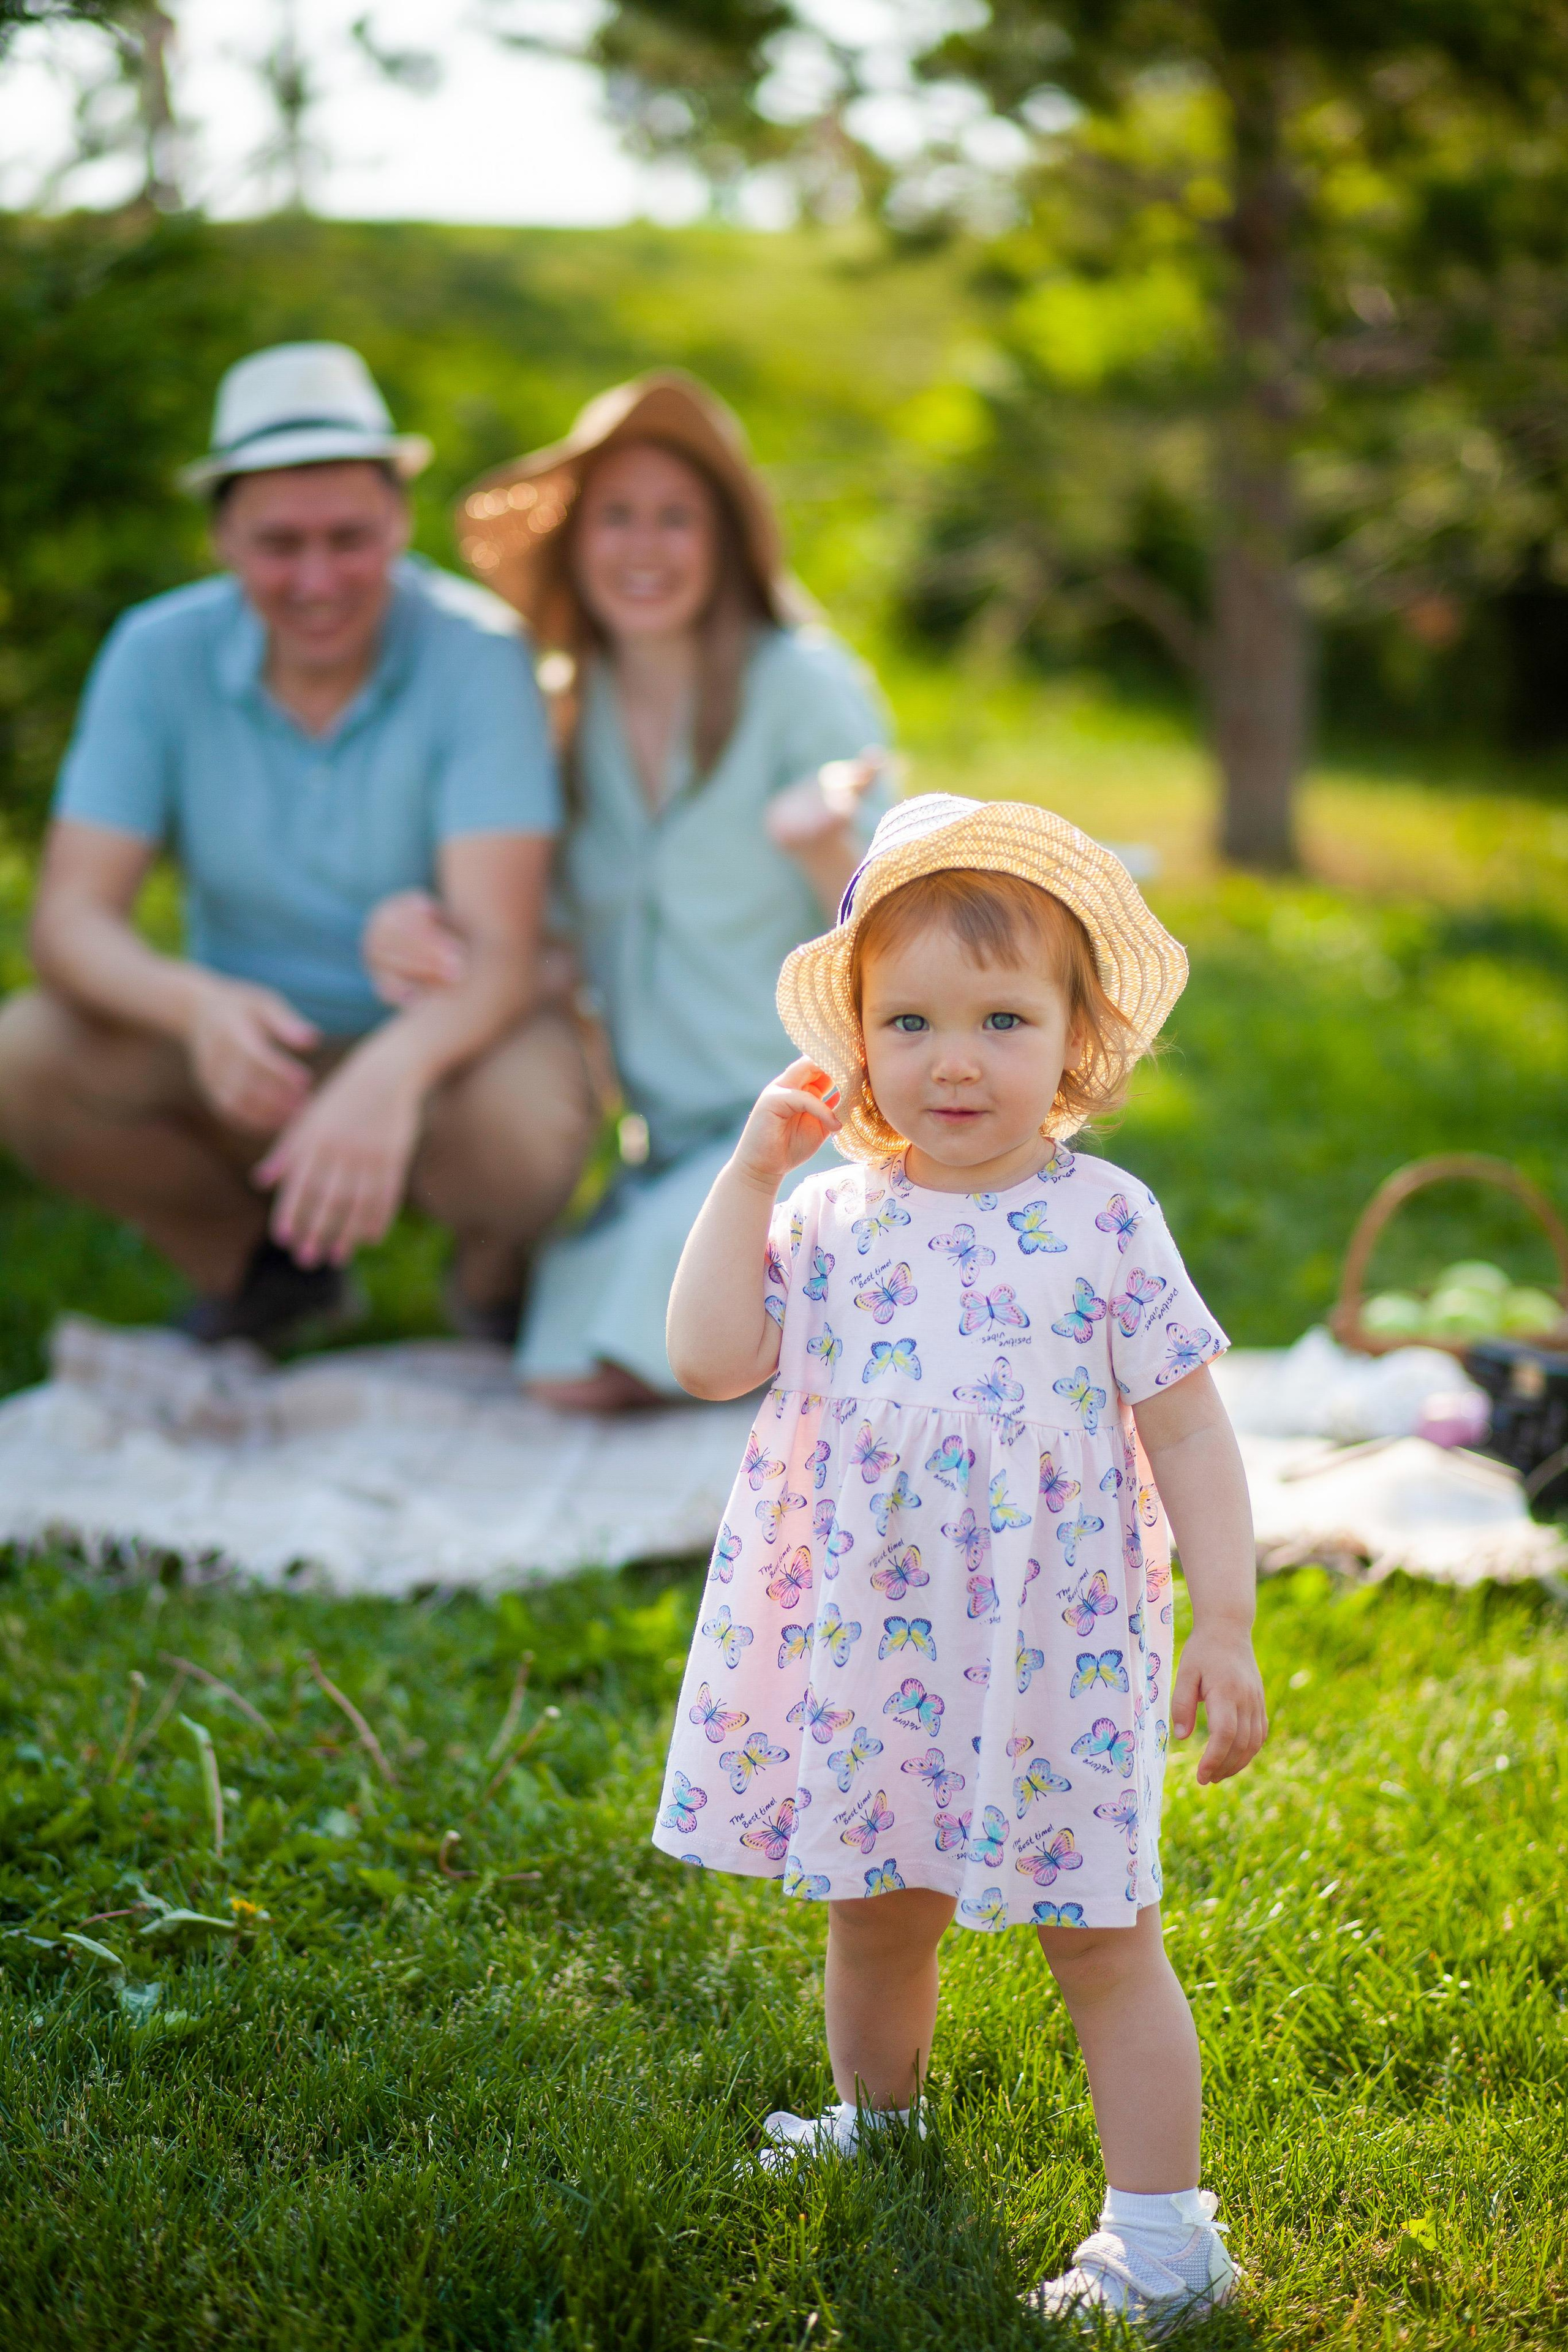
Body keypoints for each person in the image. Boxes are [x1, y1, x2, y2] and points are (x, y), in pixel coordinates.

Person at [654, 795, 1268, 2335]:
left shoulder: (1103, 1223)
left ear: (1076, 1042)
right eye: (908, 1019)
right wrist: (745, 1179)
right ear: (853, 1045)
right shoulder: (830, 1221)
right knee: (871, 1907)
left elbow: (1190, 1435)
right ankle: (876, 2128)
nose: (952, 1059)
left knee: (1099, 1933)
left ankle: (1163, 2241)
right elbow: (709, 1357)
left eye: (1001, 1018)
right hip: (872, 1656)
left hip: (1049, 1649)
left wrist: (1228, 1625)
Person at [0, 342, 592, 1349]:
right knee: (25, 1058)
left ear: (401, 523)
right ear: (222, 537)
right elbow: (68, 922)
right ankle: (261, 1274)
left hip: (444, 1047)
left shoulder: (478, 653)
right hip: (246, 1047)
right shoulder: (155, 655)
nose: (317, 579)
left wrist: (387, 1074)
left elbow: (500, 953)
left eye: (350, 538)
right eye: (280, 543)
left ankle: (496, 1286)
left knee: (529, 1128)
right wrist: (196, 1006)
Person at [364, 371, 890, 1409]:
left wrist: (824, 849)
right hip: (666, 1149)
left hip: (810, 1126)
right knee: (557, 1366)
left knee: (595, 1379)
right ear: (576, 541)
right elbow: (549, 941)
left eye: (675, 518)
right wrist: (412, 928)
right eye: (616, 516)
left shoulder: (802, 686)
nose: (643, 547)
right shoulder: (564, 716)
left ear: (723, 542)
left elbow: (913, 940)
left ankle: (849, 1305)